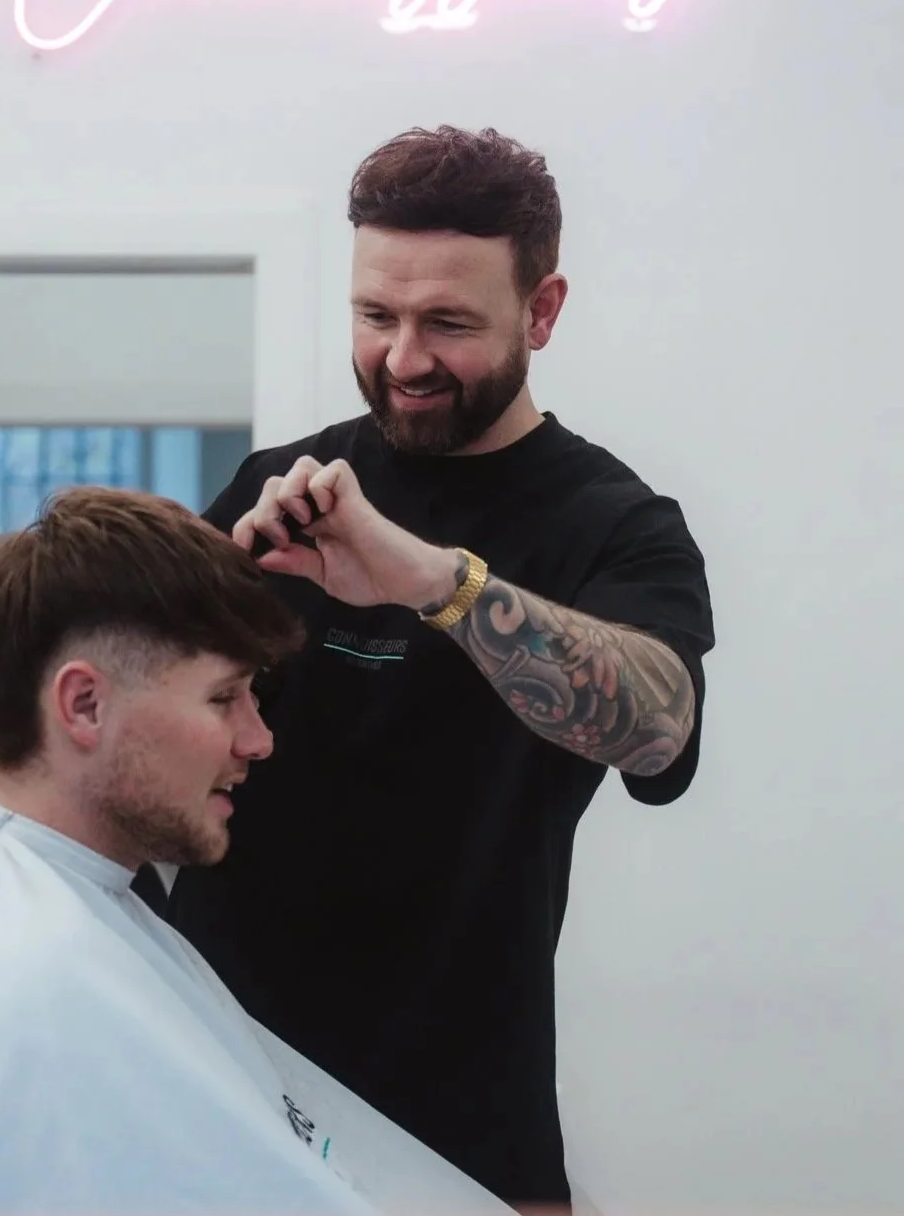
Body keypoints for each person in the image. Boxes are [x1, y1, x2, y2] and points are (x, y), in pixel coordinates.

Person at [157, 125, 717, 1213]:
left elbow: (656, 728)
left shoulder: (615, 525)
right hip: (219, 1083)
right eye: (375, 315)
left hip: (464, 1117)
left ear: (540, 310)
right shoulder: (273, 488)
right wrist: (194, 599)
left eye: (447, 322)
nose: (403, 357)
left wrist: (435, 583)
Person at [0, 486, 511, 1216]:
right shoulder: (22, 983)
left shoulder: (67, 913)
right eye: (224, 697)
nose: (259, 738)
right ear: (85, 705)